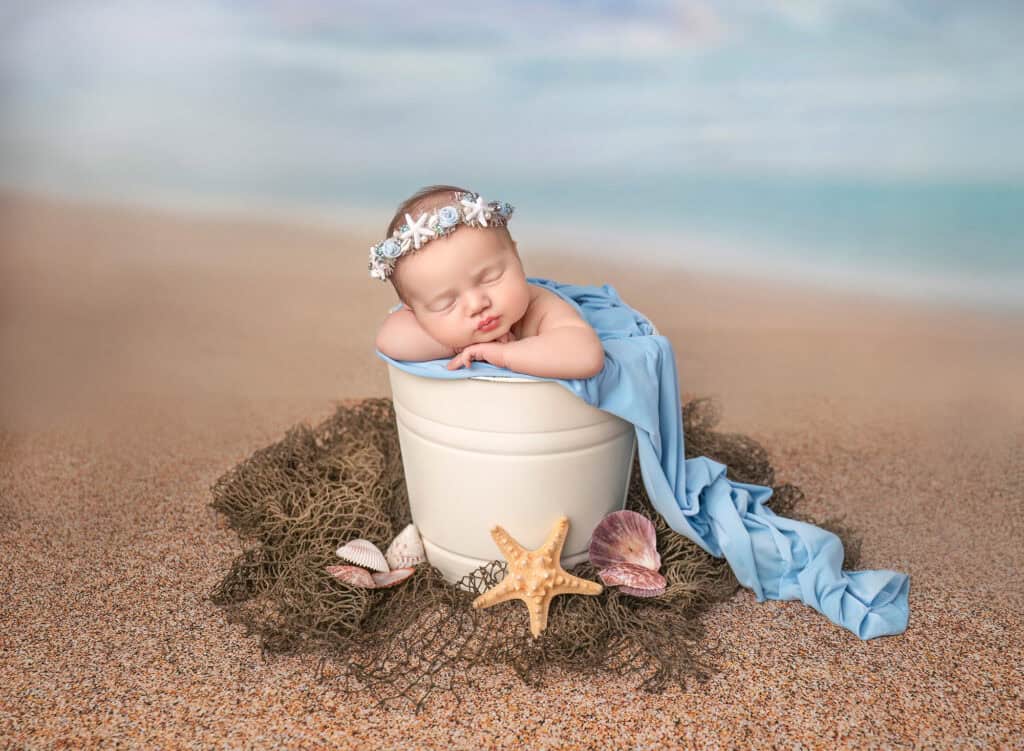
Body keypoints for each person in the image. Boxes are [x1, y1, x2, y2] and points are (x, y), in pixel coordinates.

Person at [371, 185, 605, 380]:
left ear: (516, 255)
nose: (477, 304)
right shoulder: (424, 318)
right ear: (413, 308)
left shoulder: (539, 306)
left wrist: (502, 354)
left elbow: (585, 356)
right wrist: (457, 345)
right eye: (446, 302)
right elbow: (390, 340)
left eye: (490, 278)